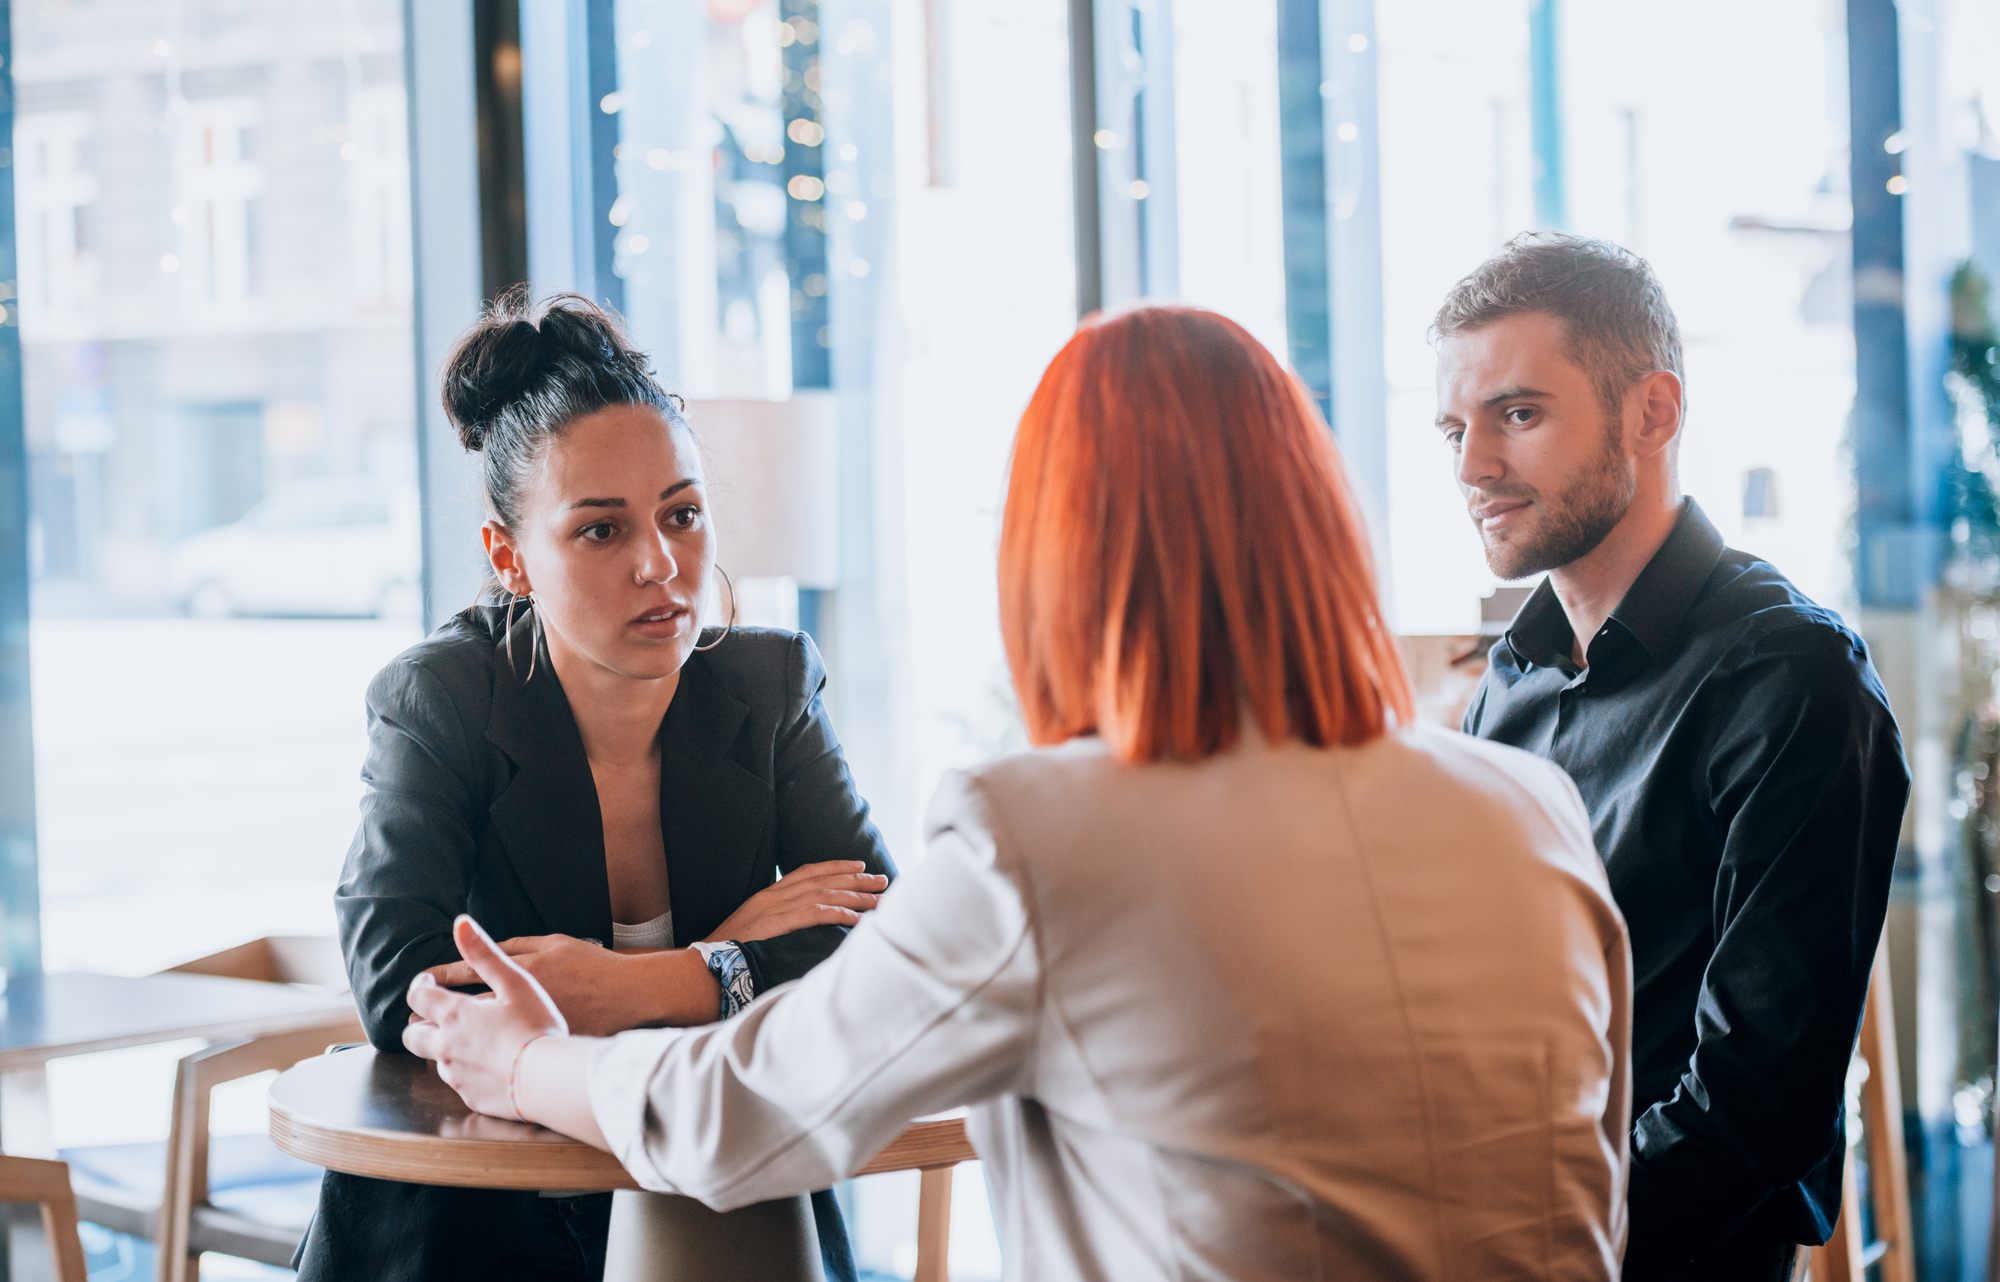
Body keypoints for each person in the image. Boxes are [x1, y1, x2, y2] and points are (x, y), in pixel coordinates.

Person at [403, 304, 1634, 1280]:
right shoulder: (1529, 808)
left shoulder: (1043, 835)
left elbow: (735, 1117)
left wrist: (526, 1067)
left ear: (1058, 557)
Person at [292, 292, 896, 1282]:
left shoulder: (770, 685)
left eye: (682, 514)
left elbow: (885, 944)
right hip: (469, 1226)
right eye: (601, 532)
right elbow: (408, 981)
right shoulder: (440, 697)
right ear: (509, 557)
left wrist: (649, 980)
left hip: (711, 1216)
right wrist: (746, 953)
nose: (662, 565)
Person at [1435, 232, 1910, 1280]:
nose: (1471, 466)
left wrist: (1529, 1244)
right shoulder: (1505, 684)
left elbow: (1753, 1110)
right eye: (1453, 428)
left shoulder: (1791, 679)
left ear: (1650, 411)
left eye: (1516, 414)